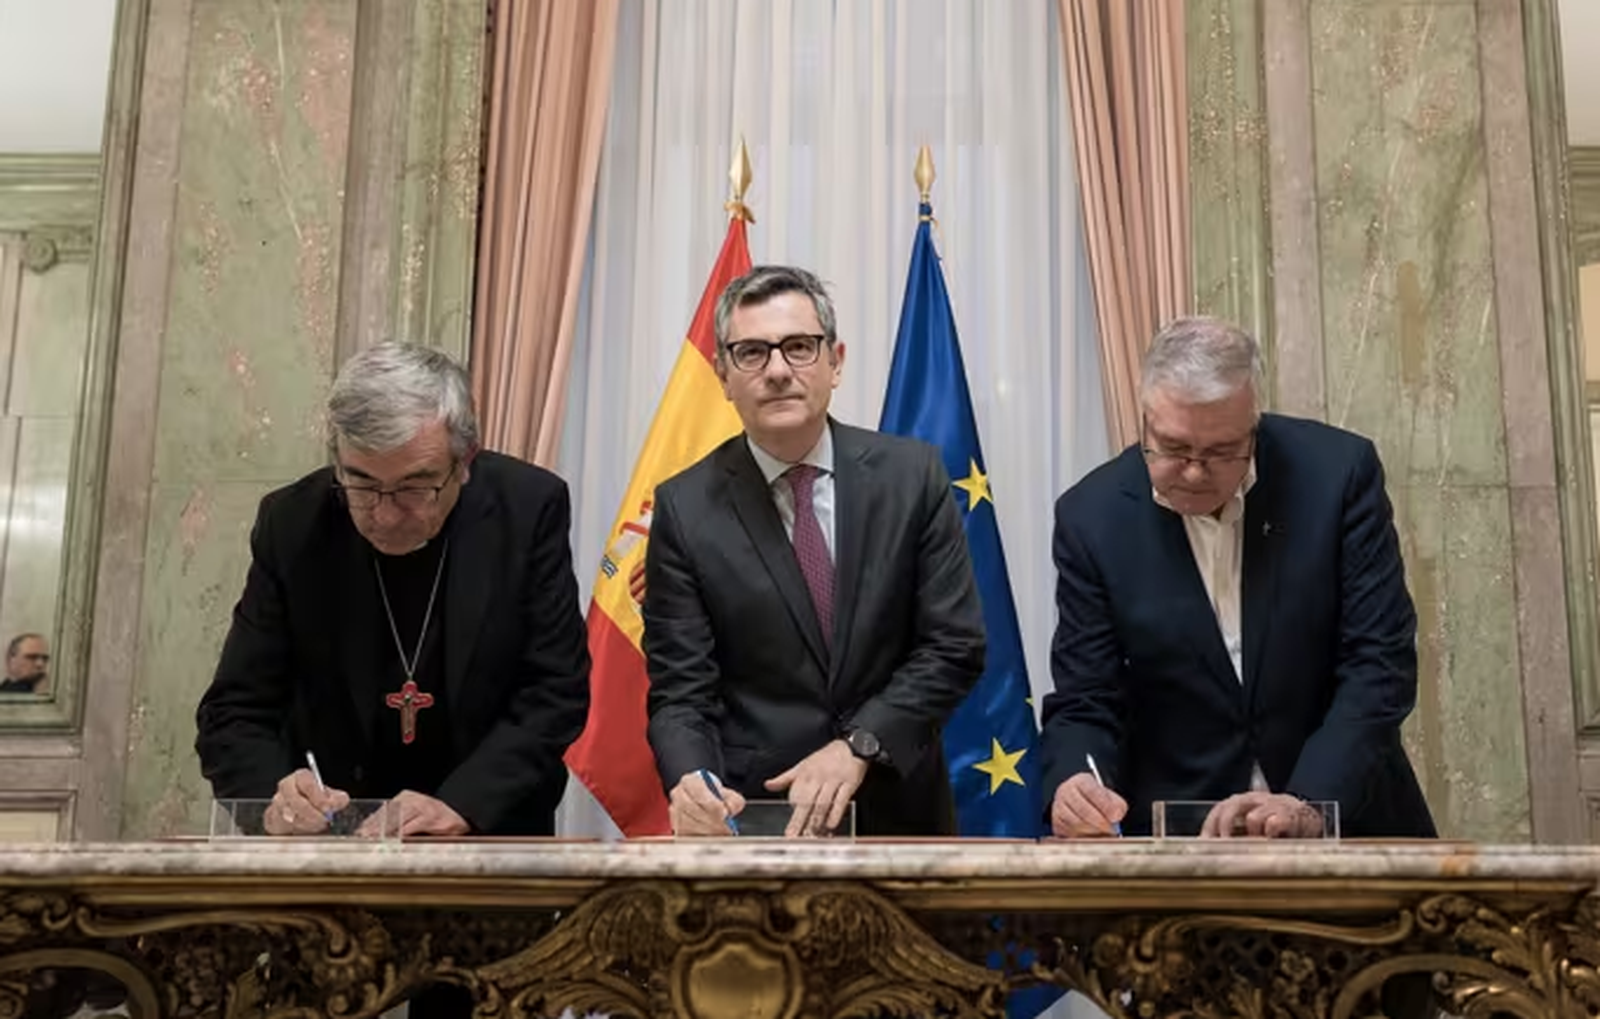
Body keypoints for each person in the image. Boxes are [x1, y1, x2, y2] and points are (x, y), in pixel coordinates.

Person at [1041, 316, 1436, 840]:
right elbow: (1087, 696)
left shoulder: (1337, 476)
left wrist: (1309, 801)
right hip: (1183, 844)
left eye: (1223, 451)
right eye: (1175, 448)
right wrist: (1074, 781)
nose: (1196, 471)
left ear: (1255, 420)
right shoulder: (1091, 518)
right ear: (1145, 420)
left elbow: (1378, 663)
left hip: (1347, 823)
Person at [195, 342, 591, 840]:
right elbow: (234, 710)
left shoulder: (527, 510)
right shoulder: (293, 524)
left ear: (464, 460)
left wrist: (462, 804)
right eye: (360, 483)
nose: (383, 514)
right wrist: (274, 797)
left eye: (413, 487)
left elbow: (555, 692)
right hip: (332, 852)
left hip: (486, 841)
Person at [644, 264, 985, 838]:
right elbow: (681, 689)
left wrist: (858, 746)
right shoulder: (684, 507)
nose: (778, 370)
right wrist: (692, 777)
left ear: (837, 361)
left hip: (898, 818)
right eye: (751, 353)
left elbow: (953, 645)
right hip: (755, 822)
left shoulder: (913, 477)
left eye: (799, 347)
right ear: (723, 375)